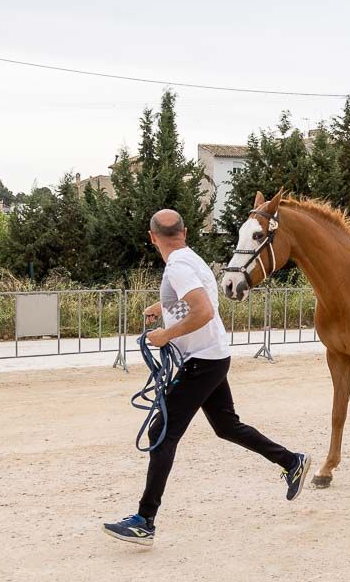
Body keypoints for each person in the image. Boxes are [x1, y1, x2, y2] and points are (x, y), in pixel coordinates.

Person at [103, 210, 308, 546]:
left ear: (152, 236)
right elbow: (199, 296)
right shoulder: (191, 259)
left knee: (161, 433)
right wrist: (163, 305)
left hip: (202, 361)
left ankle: (145, 521)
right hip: (213, 356)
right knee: (226, 426)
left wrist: (166, 334)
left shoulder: (178, 266)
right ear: (183, 232)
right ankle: (291, 461)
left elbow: (204, 310)